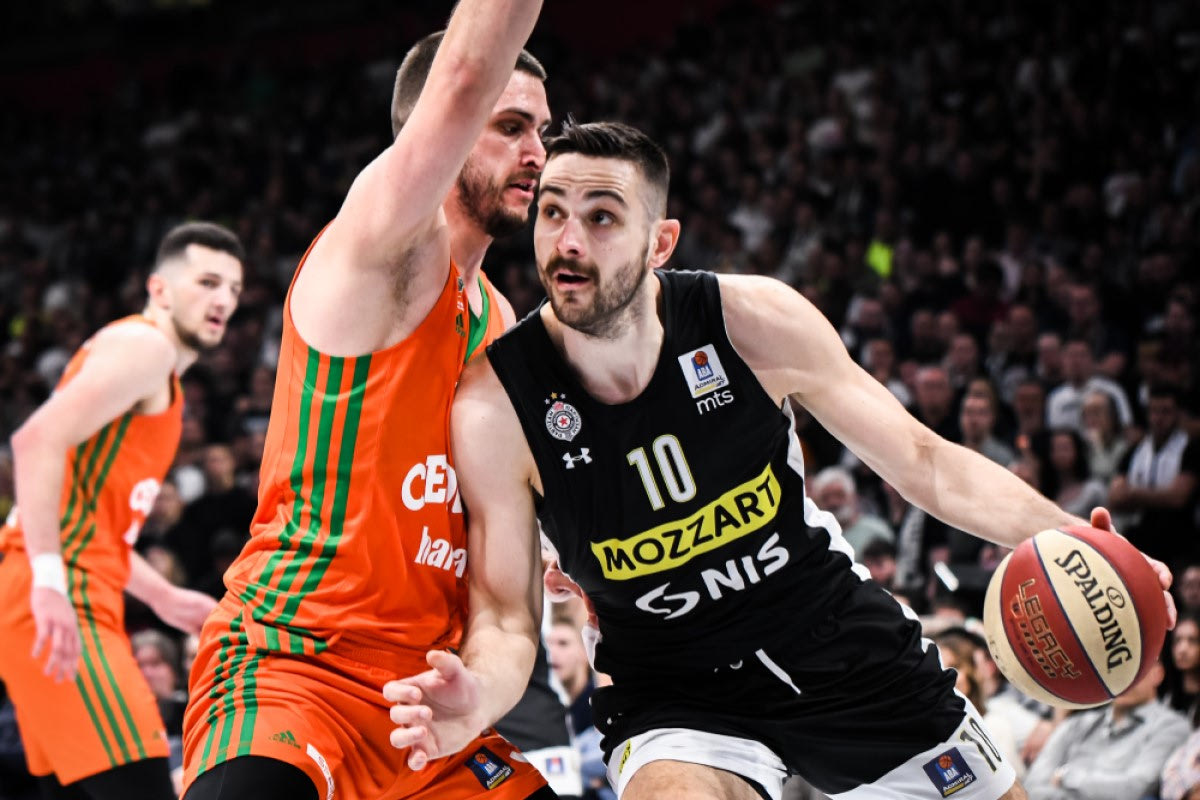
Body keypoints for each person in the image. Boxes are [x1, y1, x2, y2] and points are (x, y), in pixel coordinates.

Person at [383, 121, 1175, 800]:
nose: (567, 241)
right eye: (553, 212)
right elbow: (505, 615)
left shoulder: (751, 320)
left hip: (836, 639)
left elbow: (925, 462)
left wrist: (1082, 541)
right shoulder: (497, 404)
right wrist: (480, 694)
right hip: (674, 690)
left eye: (602, 217)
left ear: (660, 243)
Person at [180, 3, 554, 800]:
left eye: (543, 132)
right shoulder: (386, 250)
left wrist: (480, 697)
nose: (537, 154)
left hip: (423, 709)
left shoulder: (502, 328)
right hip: (293, 672)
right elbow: (463, 76)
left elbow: (505, 608)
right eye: (511, 127)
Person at [0, 222, 244, 800]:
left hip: (70, 591)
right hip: (63, 598)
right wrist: (49, 583)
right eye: (207, 282)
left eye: (234, 289)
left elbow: (87, 520)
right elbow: (34, 441)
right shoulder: (146, 347)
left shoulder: (156, 379)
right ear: (159, 289)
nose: (223, 300)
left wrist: (161, 596)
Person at [1024, 661, 1188, 800]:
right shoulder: (1077, 724)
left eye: (1132, 669)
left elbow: (1135, 787)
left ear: (1157, 674)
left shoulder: (1170, 726)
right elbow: (1033, 785)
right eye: (1114, 668)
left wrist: (1066, 777)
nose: (1122, 679)